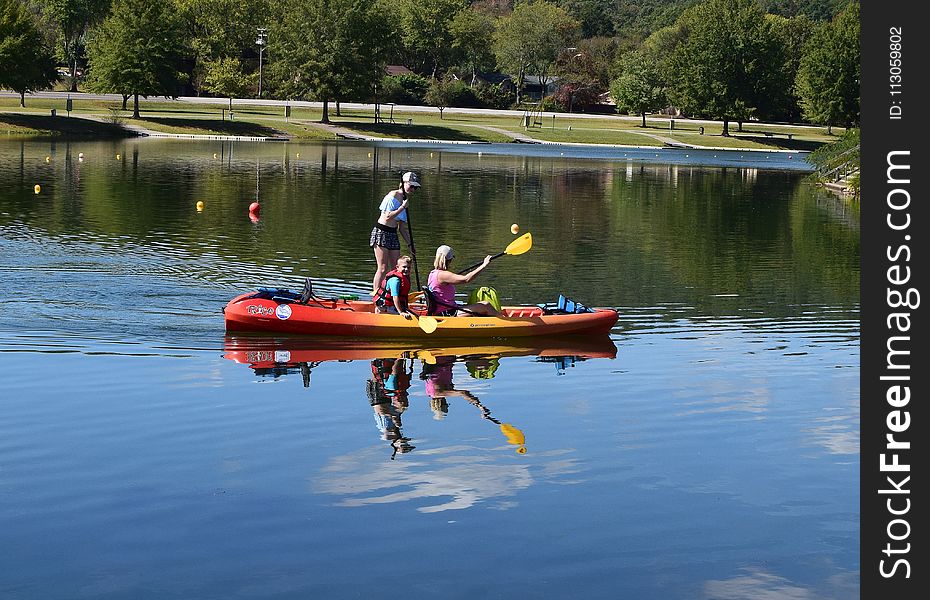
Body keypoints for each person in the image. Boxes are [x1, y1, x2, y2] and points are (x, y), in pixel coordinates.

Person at [370, 171, 419, 296]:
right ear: (404, 183)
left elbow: (402, 228)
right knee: (382, 268)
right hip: (381, 231)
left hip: (393, 234)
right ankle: (376, 295)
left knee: (395, 269)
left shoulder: (405, 201)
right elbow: (387, 217)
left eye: (415, 187)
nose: (413, 189)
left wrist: (410, 244)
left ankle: (392, 295)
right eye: (411, 186)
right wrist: (402, 207)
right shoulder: (393, 195)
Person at [426, 245, 499, 316]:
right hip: (448, 313)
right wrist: (484, 265)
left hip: (447, 309)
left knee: (474, 305)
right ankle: (506, 323)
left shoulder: (433, 273)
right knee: (486, 305)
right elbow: (466, 279)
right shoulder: (443, 275)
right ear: (449, 260)